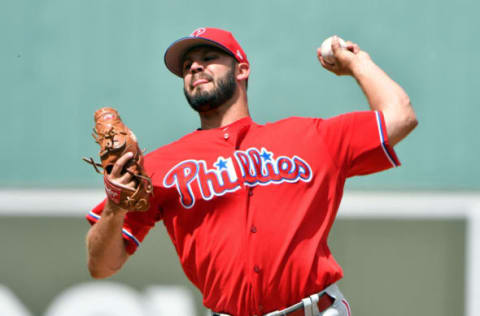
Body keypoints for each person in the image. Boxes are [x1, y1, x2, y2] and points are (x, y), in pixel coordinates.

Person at [85, 27, 417, 316]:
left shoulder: (310, 137)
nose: (195, 66)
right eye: (187, 66)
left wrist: (356, 63)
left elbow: (400, 116)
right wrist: (115, 207)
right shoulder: (159, 167)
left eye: (208, 56)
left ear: (242, 69)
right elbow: (101, 265)